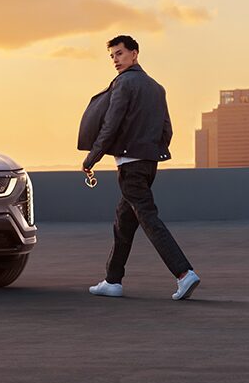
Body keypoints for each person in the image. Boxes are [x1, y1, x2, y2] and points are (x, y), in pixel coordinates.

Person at [78, 35, 200, 300]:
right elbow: (167, 129)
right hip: (148, 163)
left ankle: (183, 273)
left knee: (148, 218)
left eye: (120, 54)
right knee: (124, 222)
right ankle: (113, 280)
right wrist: (153, 152)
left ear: (134, 54)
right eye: (112, 56)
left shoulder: (124, 84)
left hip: (130, 165)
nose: (115, 60)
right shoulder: (157, 87)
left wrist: (91, 158)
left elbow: (111, 124)